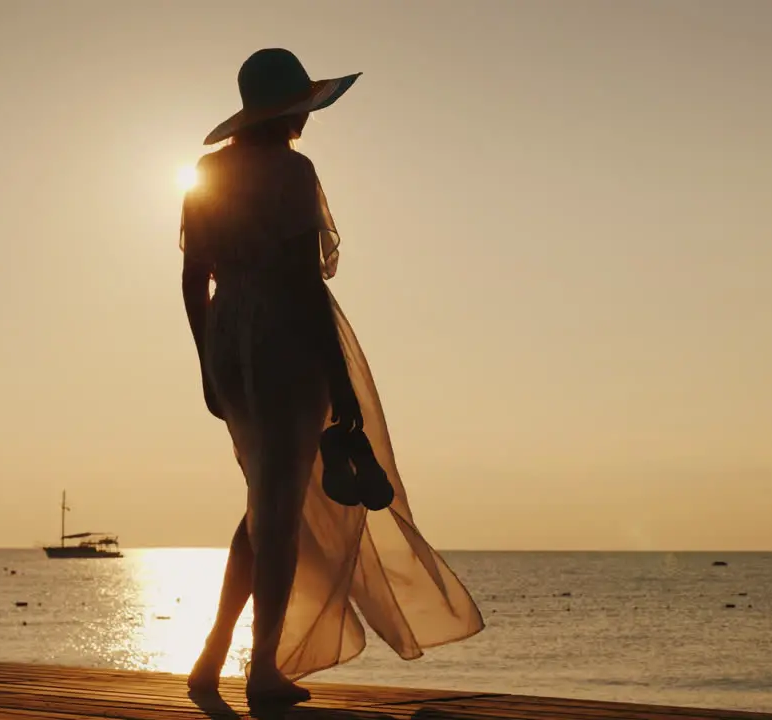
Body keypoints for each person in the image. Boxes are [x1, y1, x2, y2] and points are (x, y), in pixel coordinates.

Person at [179, 48, 484, 707]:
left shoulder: (207, 174)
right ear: (288, 112)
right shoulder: (292, 173)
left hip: (230, 337)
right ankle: (260, 670)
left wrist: (208, 358)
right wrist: (342, 386)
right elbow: (305, 283)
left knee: (267, 500)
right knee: (279, 510)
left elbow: (191, 279)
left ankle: (211, 661)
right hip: (286, 339)